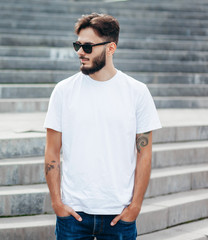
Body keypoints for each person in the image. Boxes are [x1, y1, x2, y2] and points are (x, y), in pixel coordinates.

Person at [44, 13, 162, 240]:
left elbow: (144, 154)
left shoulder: (137, 92)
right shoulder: (63, 91)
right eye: (77, 45)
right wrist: (57, 203)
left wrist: (135, 206)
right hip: (73, 214)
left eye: (88, 46)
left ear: (111, 48)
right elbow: (52, 151)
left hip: (119, 214)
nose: (80, 52)